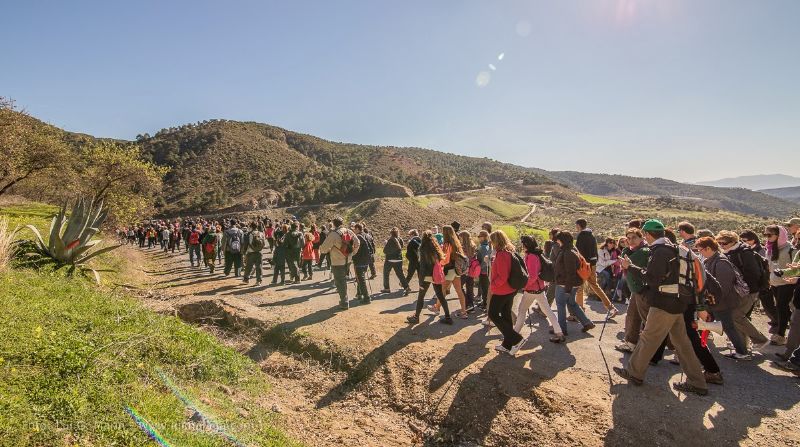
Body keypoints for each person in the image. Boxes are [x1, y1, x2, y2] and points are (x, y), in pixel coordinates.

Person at [614, 219, 708, 396]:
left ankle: (634, 373)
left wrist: (629, 266)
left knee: (649, 337)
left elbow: (651, 278)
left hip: (664, 301)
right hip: (678, 300)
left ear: (648, 234)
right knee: (682, 343)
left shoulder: (660, 252)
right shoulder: (673, 248)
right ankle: (698, 382)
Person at [697, 237, 764, 360]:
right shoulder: (712, 260)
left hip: (723, 303)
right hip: (718, 302)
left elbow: (723, 288)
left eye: (700, 249)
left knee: (730, 328)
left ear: (708, 248)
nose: (699, 252)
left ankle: (742, 352)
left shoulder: (721, 262)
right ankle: (741, 351)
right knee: (728, 327)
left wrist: (711, 301)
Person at [717, 230, 770, 352]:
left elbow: (753, 273)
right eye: (719, 243)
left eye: (724, 243)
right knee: (737, 316)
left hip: (749, 290)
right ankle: (743, 348)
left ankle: (759, 340)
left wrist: (745, 288)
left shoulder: (744, 252)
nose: (721, 246)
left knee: (736, 315)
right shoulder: (730, 252)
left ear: (733, 241)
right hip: (740, 291)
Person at [516, 235, 564, 343]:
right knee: (547, 311)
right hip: (539, 288)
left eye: (522, 244)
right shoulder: (536, 254)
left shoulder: (531, 256)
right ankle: (559, 332)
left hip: (532, 289)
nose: (521, 246)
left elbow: (532, 276)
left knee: (521, 310)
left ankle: (514, 335)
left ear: (526, 245)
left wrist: (525, 286)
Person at [488, 230, 525, 356]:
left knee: (492, 314)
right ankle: (507, 345)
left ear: (495, 241)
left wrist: (493, 285)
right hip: (510, 290)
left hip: (502, 290)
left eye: (491, 240)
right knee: (505, 315)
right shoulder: (508, 252)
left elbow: (503, 276)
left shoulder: (502, 254)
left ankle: (517, 339)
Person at [553, 231, 595, 337]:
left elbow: (570, 272)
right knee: (572, 304)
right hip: (573, 283)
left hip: (565, 284)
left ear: (562, 240)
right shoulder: (572, 249)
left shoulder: (567, 253)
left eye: (558, 239)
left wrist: (567, 289)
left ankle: (561, 330)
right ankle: (587, 323)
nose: (557, 241)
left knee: (560, 305)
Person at [406, 231, 453, 325]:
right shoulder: (436, 248)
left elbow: (422, 266)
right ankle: (448, 317)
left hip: (426, 276)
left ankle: (416, 317)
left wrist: (421, 280)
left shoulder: (422, 249)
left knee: (421, 297)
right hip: (436, 275)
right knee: (440, 296)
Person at [615, 228, 650, 353]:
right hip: (636, 289)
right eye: (628, 238)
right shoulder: (632, 250)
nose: (631, 241)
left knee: (648, 321)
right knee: (633, 316)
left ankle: (676, 349)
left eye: (634, 237)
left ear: (642, 238)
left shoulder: (644, 251)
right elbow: (625, 259)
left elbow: (629, 262)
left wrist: (624, 254)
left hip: (643, 289)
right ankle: (631, 343)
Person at [574, 219, 618, 318]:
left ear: (579, 226)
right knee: (595, 286)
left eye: (576, 226)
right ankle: (611, 308)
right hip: (593, 264)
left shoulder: (581, 236)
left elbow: (578, 253)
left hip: (584, 265)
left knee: (579, 288)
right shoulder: (591, 235)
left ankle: (579, 312)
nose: (576, 228)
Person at [319, 217, 361, 310]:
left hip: (337, 261)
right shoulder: (349, 231)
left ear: (334, 224)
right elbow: (357, 242)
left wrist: (325, 249)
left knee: (340, 282)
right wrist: (353, 253)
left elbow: (323, 249)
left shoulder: (333, 234)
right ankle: (344, 299)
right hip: (348, 260)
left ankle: (344, 302)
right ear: (342, 223)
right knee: (343, 280)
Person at [765, 224, 797, 346]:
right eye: (765, 234)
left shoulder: (790, 249)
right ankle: (792, 332)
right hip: (774, 282)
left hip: (787, 282)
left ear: (779, 235)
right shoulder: (770, 248)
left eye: (770, 235)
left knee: (781, 307)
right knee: (782, 309)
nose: (767, 237)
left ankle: (780, 335)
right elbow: (770, 266)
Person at [430, 225, 469, 319]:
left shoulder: (447, 244)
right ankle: (464, 312)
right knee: (459, 291)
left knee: (442, 290)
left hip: (449, 270)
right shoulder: (456, 243)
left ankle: (437, 308)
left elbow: (445, 260)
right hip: (457, 270)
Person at [382, 227, 410, 294]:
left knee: (386, 273)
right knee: (400, 274)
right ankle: (406, 287)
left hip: (390, 260)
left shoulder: (390, 240)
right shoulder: (400, 239)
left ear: (391, 233)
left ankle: (387, 288)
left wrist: (385, 244)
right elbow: (401, 247)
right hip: (398, 259)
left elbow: (385, 251)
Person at [352, 224, 372, 304]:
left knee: (361, 279)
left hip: (359, 260)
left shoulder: (358, 237)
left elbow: (355, 249)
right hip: (366, 260)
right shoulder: (366, 235)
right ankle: (359, 293)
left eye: (354, 228)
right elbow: (371, 248)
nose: (353, 230)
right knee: (360, 278)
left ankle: (366, 298)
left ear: (357, 228)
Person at [459, 230, 477, 312]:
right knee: (470, 288)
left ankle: (466, 303)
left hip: (464, 271)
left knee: (459, 287)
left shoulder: (462, 248)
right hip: (472, 270)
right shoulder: (473, 246)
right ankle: (471, 306)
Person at [476, 230, 493, 309]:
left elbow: (481, 260)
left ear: (484, 237)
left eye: (479, 237)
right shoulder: (488, 246)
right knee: (486, 288)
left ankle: (485, 304)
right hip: (487, 270)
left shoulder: (482, 247)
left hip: (483, 271)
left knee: (484, 288)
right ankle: (485, 302)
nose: (478, 238)